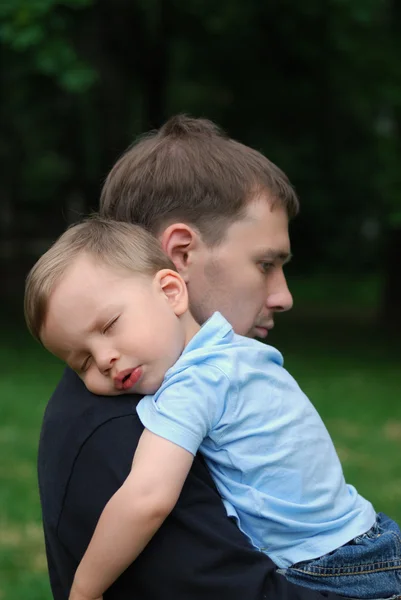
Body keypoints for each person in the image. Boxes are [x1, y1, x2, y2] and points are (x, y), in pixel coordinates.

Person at [35, 115, 347, 600]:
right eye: (265, 264)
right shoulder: (125, 427)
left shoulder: (201, 376)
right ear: (178, 257)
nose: (284, 296)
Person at [25, 218, 400, 600]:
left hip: (330, 569)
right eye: (82, 363)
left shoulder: (194, 385)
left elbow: (147, 498)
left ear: (171, 292)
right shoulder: (239, 353)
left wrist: (84, 590)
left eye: (109, 326)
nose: (104, 358)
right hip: (372, 542)